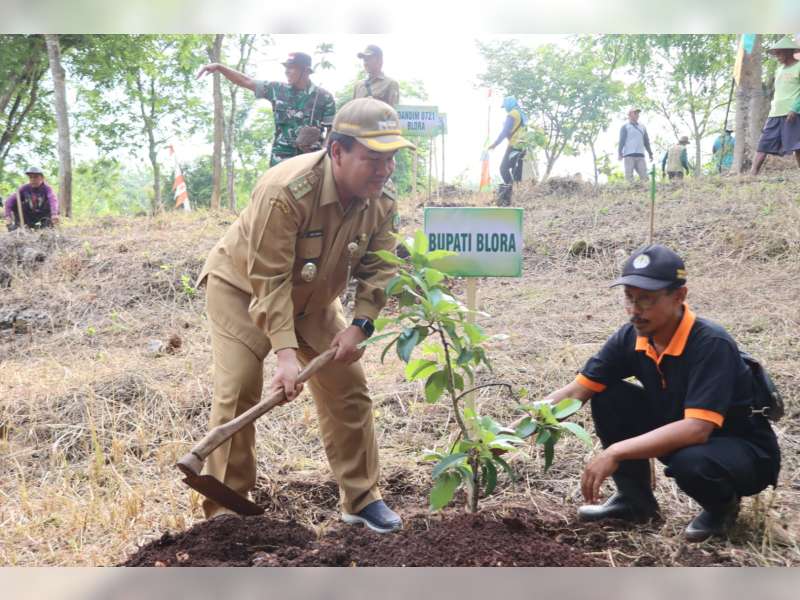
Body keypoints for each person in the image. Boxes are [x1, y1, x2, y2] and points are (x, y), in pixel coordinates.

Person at [195, 98, 415, 534]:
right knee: (239, 388)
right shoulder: (286, 190)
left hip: (314, 302)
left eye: (390, 159)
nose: (384, 170)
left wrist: (361, 325)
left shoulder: (381, 199)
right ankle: (227, 513)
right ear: (337, 152)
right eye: (373, 159)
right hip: (243, 290)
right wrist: (285, 355)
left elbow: (380, 268)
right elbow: (269, 277)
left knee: (348, 388)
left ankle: (362, 499)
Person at [539, 244, 780, 542]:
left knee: (691, 462)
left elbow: (697, 429)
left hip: (741, 450)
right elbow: (578, 391)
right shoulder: (632, 336)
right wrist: (509, 434)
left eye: (646, 299)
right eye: (629, 298)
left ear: (679, 296)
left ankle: (722, 509)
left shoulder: (710, 344)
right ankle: (634, 502)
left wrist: (615, 451)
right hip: (679, 429)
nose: (634, 310)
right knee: (608, 396)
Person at [197, 52, 336, 166]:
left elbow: (332, 130)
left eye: (292, 68)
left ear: (306, 71)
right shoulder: (277, 89)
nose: (287, 72)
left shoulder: (324, 97)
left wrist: (324, 151)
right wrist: (219, 67)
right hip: (280, 162)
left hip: (310, 163)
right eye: (286, 68)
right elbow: (246, 81)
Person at [751, 36, 800, 175]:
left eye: (779, 53)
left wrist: (795, 108)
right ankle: (752, 173)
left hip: (793, 111)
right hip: (775, 113)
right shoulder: (779, 70)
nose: (777, 56)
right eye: (775, 54)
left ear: (789, 52)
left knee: (797, 145)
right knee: (764, 142)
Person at [488, 96, 527, 206]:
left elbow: (505, 131)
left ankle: (509, 194)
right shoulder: (522, 114)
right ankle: (516, 197)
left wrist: (495, 144)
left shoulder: (512, 114)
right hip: (522, 146)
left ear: (509, 104)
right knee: (516, 173)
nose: (505, 109)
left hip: (514, 146)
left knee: (503, 168)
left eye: (505, 106)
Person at [4, 166, 59, 230]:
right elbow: (9, 201)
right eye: (31, 177)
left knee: (50, 205)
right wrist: (8, 216)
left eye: (36, 177)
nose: (33, 179)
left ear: (42, 178)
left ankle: (46, 227)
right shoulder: (24, 188)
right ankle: (19, 226)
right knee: (16, 204)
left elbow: (53, 200)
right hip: (28, 217)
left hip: (42, 217)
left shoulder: (47, 189)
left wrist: (54, 214)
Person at [618, 108, 653, 183]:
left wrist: (650, 153)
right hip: (629, 155)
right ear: (630, 115)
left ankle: (644, 189)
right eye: (635, 113)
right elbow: (622, 141)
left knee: (645, 177)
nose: (637, 115)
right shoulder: (625, 127)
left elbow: (646, 141)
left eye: (638, 113)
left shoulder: (642, 127)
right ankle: (629, 189)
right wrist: (620, 153)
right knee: (629, 177)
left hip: (640, 155)